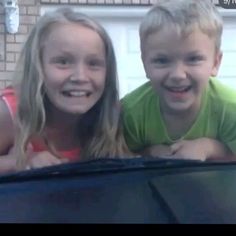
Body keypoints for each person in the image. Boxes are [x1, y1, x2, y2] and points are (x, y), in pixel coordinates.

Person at [0, 8, 131, 174]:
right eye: (63, 62)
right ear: (37, 68)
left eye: (93, 64)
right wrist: (20, 162)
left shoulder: (114, 117)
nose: (80, 77)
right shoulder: (10, 113)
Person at [121, 0, 236, 161]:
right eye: (162, 60)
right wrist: (150, 154)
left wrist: (208, 148)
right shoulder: (131, 113)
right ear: (145, 64)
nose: (177, 75)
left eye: (193, 59)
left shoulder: (230, 108)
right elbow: (118, 160)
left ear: (215, 63)